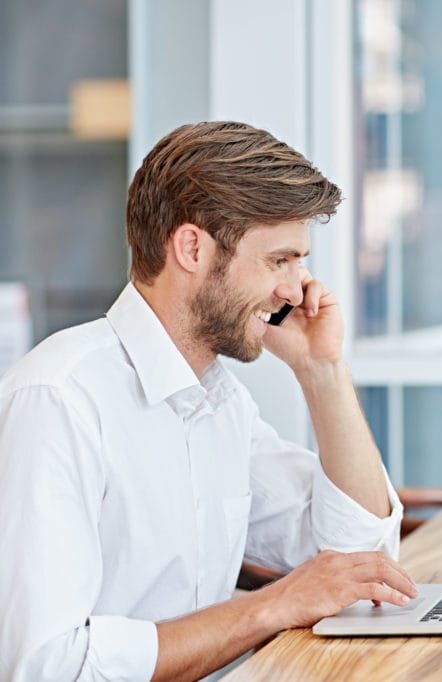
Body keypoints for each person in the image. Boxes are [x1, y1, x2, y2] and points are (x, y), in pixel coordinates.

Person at [0, 121, 418, 681]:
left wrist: (322, 371)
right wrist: (272, 606)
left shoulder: (220, 402)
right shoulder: (58, 399)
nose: (297, 291)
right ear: (192, 247)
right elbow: (49, 666)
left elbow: (361, 558)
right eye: (279, 261)